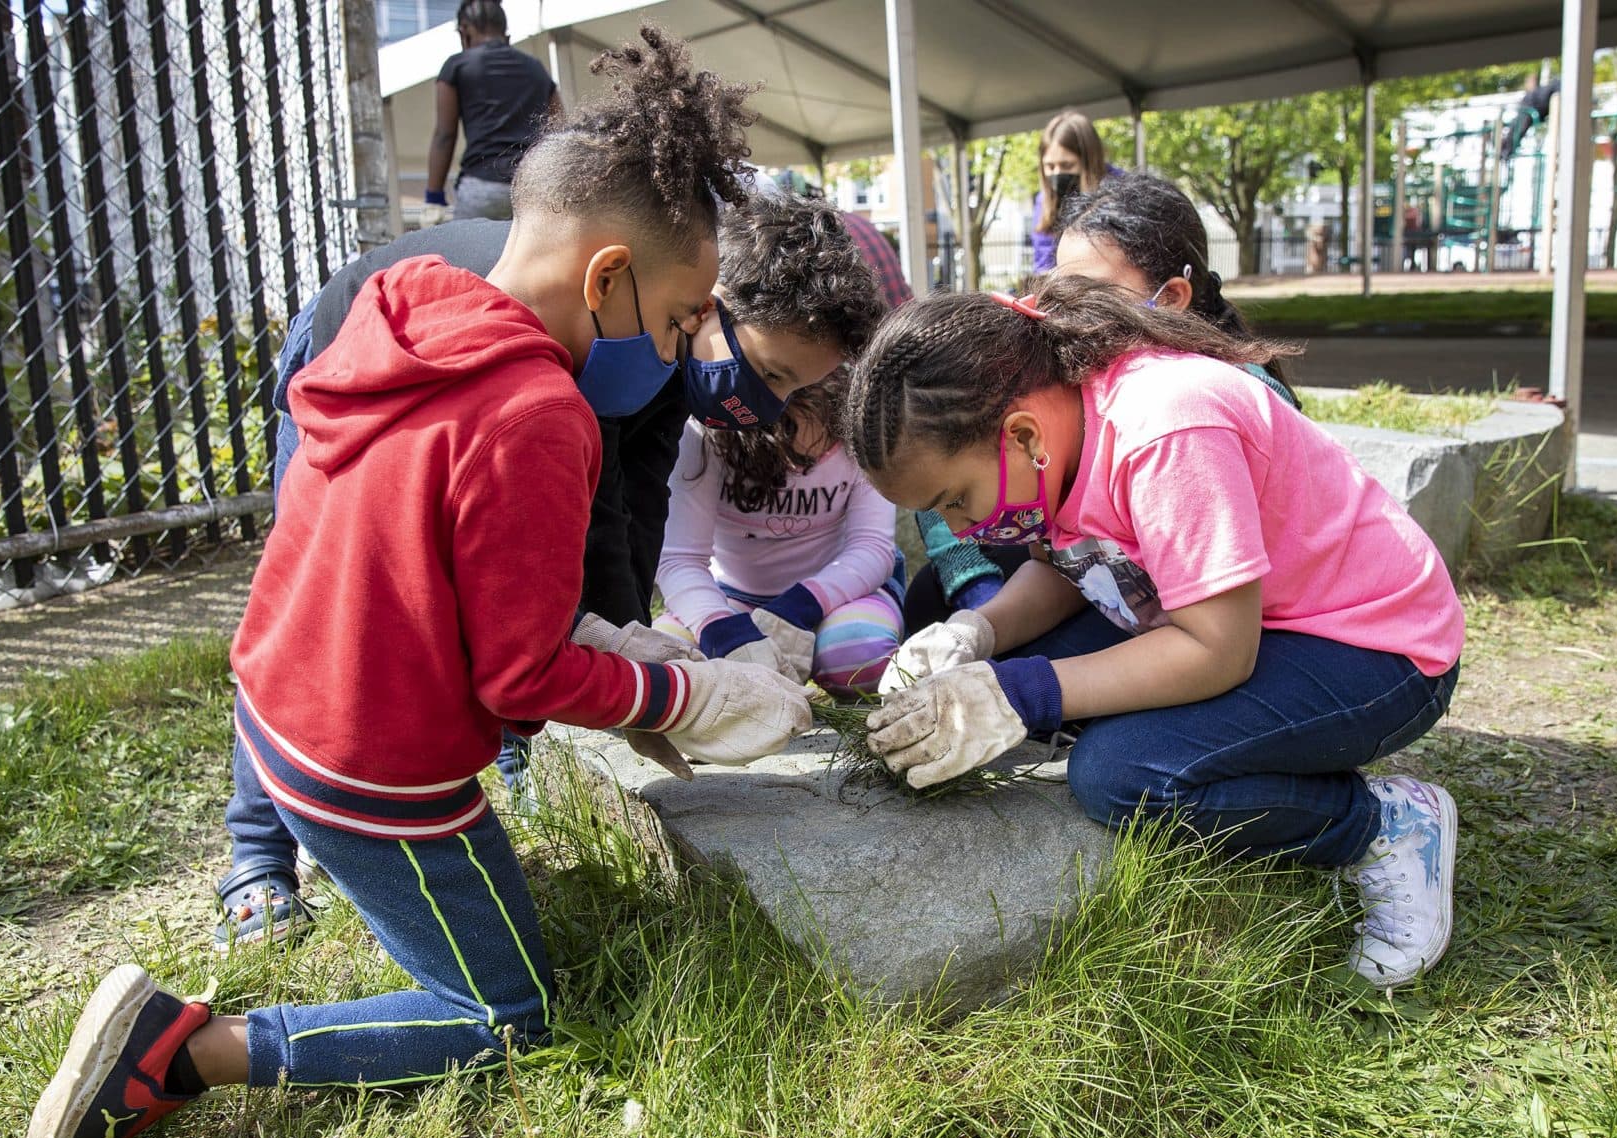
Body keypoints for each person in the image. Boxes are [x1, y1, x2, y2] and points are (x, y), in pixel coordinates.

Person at [21, 27, 813, 1138]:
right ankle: (182, 1052)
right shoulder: (539, 412)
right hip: (374, 776)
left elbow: (439, 565)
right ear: (606, 278)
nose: (681, 347)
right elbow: (520, 679)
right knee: (504, 1014)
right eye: (681, 315)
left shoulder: (411, 300)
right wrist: (686, 691)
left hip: (280, 713)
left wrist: (616, 639)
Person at [204, 191, 877, 951]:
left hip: (493, 414)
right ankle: (259, 851)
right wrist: (638, 686)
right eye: (771, 371)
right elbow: (562, 513)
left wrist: (629, 654)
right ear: (702, 300)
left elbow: (624, 501)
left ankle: (507, 753)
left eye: (792, 391)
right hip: (352, 355)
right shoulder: (592, 319)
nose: (769, 406)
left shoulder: (648, 346)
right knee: (318, 612)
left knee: (506, 607)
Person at [838, 273, 1465, 992]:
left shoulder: (1165, 429)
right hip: (1244, 622)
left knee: (1121, 774)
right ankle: (1273, 753)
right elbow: (1071, 570)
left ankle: (1381, 825)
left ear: (1020, 434)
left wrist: (1028, 691)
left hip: (1375, 647)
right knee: (1032, 680)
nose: (954, 529)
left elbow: (1218, 650)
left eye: (954, 499)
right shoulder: (1057, 431)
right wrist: (975, 631)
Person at [902, 171, 1298, 636]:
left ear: (1170, 298)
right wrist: (976, 602)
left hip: (1207, 607)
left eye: (1090, 297)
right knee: (931, 596)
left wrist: (1036, 679)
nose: (1063, 316)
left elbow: (1216, 633)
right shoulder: (1085, 379)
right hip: (1121, 579)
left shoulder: (1195, 407)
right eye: (1058, 292)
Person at [656, 370, 903, 699]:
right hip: (732, 596)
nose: (800, 469)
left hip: (839, 594)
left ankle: (820, 659)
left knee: (860, 657)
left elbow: (872, 547)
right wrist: (719, 629)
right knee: (663, 661)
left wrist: (799, 607)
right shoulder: (704, 434)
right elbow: (680, 559)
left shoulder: (859, 429)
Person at [423, 0, 559, 223]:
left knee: (467, 257)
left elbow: (445, 135)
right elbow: (557, 130)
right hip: (531, 189)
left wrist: (434, 196)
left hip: (482, 187)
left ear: (465, 31)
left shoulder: (457, 66)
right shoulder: (536, 68)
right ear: (505, 35)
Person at [1029, 111, 1113, 273]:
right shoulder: (1044, 200)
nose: (1057, 173)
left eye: (1067, 165)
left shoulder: (1121, 191)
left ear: (1089, 161)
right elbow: (1043, 262)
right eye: (1050, 166)